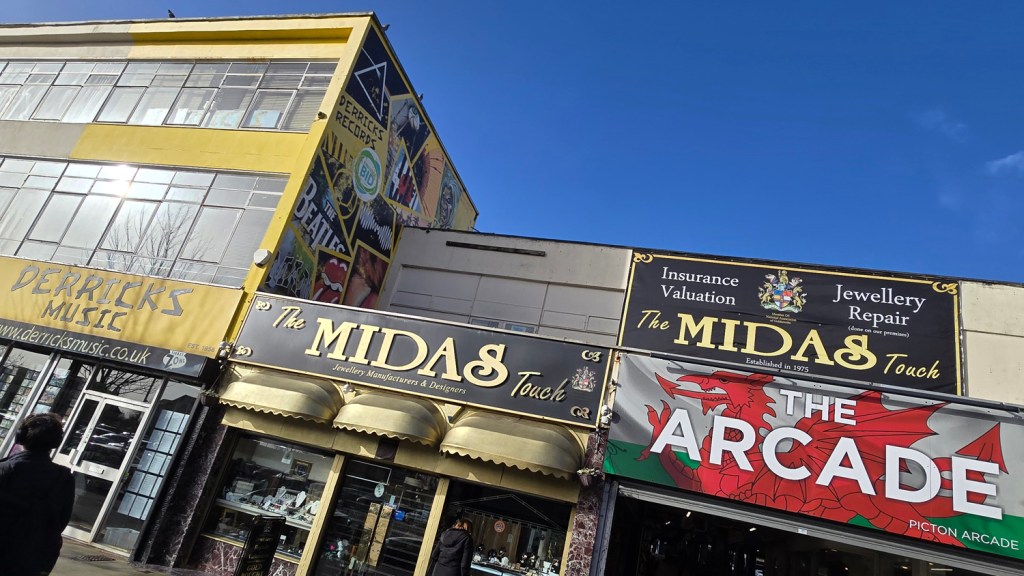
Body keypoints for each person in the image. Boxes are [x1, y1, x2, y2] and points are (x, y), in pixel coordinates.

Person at [0, 413, 76, 575]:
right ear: (55, 443)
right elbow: (60, 521)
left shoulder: (4, 469)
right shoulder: (63, 478)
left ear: (20, 437)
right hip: (33, 559)